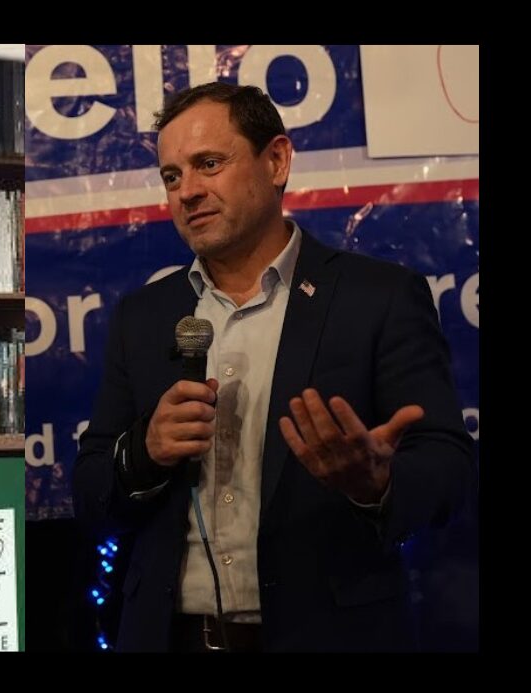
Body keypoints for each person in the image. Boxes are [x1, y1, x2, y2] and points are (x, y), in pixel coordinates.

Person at [72, 83, 475, 652]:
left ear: (277, 161)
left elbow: (451, 471)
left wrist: (378, 484)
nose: (187, 191)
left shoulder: (377, 298)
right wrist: (144, 453)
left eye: (208, 164)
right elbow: (90, 494)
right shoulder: (144, 316)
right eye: (171, 176)